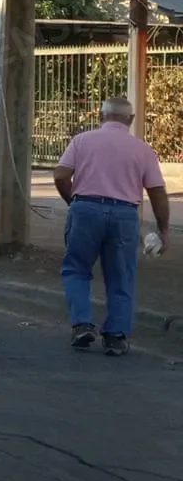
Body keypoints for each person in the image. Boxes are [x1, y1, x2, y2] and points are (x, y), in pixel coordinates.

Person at [53, 96, 171, 356]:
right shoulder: (143, 149)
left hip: (86, 209)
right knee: (121, 276)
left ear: (101, 116)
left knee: (76, 269)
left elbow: (60, 174)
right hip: (125, 215)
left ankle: (82, 324)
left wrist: (73, 201)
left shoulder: (82, 141)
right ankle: (116, 336)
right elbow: (157, 193)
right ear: (131, 119)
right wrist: (163, 230)